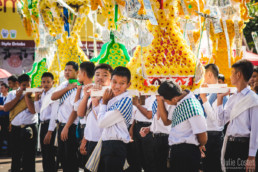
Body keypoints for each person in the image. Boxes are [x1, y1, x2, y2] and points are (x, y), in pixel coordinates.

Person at [217, 59, 258, 172]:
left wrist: (251, 156)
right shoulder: (232, 97)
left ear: (238, 74)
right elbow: (220, 122)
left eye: (232, 73)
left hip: (243, 147)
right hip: (230, 145)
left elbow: (256, 130)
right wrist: (219, 100)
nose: (230, 76)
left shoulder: (253, 99)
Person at [157, 81, 207, 172]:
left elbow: (202, 135)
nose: (166, 103)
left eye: (165, 101)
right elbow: (166, 121)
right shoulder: (179, 101)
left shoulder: (192, 105)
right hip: (178, 152)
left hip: (187, 154)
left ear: (174, 99)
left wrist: (199, 145)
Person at [77, 63, 113, 172]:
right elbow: (81, 114)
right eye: (97, 74)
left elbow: (103, 121)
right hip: (91, 141)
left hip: (105, 142)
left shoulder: (112, 95)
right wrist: (86, 96)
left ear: (111, 79)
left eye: (105, 75)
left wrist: (95, 101)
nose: (100, 78)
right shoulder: (92, 92)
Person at [97, 66, 133, 172]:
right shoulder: (114, 98)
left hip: (115, 146)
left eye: (122, 83)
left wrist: (103, 103)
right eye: (114, 82)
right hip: (109, 145)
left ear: (128, 85)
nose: (117, 86)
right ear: (110, 81)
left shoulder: (125, 101)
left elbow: (101, 122)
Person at [4, 74, 38, 172]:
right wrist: (17, 97)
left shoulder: (33, 94)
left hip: (30, 127)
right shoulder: (12, 94)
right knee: (16, 155)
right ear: (18, 84)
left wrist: (26, 97)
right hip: (16, 128)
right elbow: (6, 108)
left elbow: (33, 110)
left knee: (30, 156)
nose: (26, 87)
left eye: (28, 85)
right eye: (24, 85)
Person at [51, 61, 79, 172]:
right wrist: (67, 88)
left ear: (77, 72)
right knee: (62, 157)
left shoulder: (78, 86)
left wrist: (67, 127)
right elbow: (53, 97)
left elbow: (75, 110)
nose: (67, 72)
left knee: (71, 158)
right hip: (61, 126)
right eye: (65, 70)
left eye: (70, 70)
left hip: (71, 126)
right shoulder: (64, 84)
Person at [199, 64, 228, 172]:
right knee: (206, 167)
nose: (203, 79)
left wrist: (203, 98)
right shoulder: (208, 92)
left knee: (214, 167)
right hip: (206, 135)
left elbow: (215, 119)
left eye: (204, 75)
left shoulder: (221, 91)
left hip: (215, 136)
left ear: (210, 74)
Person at [140, 97, 174, 172]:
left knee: (162, 167)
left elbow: (161, 118)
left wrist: (160, 101)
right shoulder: (156, 100)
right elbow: (156, 120)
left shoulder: (168, 100)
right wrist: (149, 128)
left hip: (165, 138)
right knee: (153, 166)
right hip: (155, 138)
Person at [73, 61, 95, 170]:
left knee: (89, 164)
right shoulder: (83, 88)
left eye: (79, 73)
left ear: (84, 74)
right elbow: (76, 107)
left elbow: (80, 112)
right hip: (82, 128)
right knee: (83, 163)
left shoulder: (93, 89)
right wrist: (78, 89)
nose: (78, 76)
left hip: (88, 130)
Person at [34, 72, 58, 172]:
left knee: (50, 154)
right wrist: (36, 98)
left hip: (50, 126)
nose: (46, 84)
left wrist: (50, 131)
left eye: (48, 82)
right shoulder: (42, 93)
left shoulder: (53, 93)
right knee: (44, 154)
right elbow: (38, 111)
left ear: (53, 82)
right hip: (43, 125)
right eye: (43, 82)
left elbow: (54, 114)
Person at [127, 95, 156, 172]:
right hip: (136, 125)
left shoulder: (153, 98)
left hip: (147, 127)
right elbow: (135, 114)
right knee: (136, 156)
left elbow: (149, 115)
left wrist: (137, 104)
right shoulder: (139, 96)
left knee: (147, 156)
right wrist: (131, 128)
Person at [0, 83, 9, 155]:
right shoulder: (0, 97)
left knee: (8, 133)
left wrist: (3, 107)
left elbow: (9, 107)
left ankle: (9, 150)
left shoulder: (10, 96)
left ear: (6, 89)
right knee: (2, 134)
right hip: (1, 118)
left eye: (2, 88)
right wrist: (5, 107)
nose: (1, 89)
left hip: (8, 118)